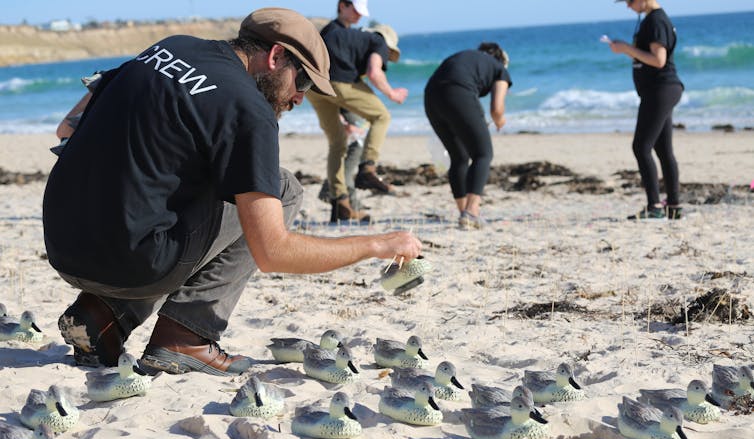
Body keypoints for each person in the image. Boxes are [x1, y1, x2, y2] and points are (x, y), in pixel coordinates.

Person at [42, 7, 421, 377]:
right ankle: (186, 335)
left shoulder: (169, 47)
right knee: (282, 187)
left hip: (62, 241)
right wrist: (377, 245)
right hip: (128, 261)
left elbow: (67, 128)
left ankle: (104, 314)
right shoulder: (248, 108)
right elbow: (273, 251)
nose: (299, 99)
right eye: (302, 82)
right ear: (276, 56)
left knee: (182, 181)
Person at [307, 0, 409, 223]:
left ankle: (340, 204)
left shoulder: (339, 34)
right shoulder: (377, 42)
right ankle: (367, 169)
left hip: (313, 87)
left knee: (337, 143)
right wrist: (393, 94)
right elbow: (374, 72)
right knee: (382, 116)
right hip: (339, 83)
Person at [609, 0, 684, 220]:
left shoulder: (656, 21)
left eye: (630, 0)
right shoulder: (652, 20)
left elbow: (659, 60)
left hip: (661, 89)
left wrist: (626, 49)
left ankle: (654, 206)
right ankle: (673, 205)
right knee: (662, 150)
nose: (628, 6)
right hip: (661, 89)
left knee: (641, 146)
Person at [424, 43, 512, 229]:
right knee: (483, 153)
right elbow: (496, 109)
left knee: (459, 157)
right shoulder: (499, 69)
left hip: (431, 95)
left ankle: (464, 212)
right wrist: (500, 120)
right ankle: (472, 211)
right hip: (459, 92)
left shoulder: (468, 58)